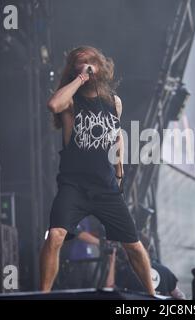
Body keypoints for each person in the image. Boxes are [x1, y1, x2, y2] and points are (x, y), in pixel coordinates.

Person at [39, 46, 155, 295]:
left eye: (91, 62)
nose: (87, 66)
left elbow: (117, 138)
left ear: (101, 67)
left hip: (106, 188)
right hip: (74, 185)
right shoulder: (71, 100)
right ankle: (42, 294)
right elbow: (52, 104)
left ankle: (154, 296)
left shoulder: (114, 102)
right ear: (74, 69)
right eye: (80, 63)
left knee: (133, 246)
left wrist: (120, 172)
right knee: (56, 234)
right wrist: (80, 78)